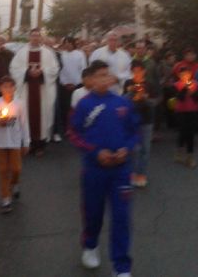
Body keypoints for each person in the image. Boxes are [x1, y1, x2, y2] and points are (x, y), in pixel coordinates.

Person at [68, 60, 139, 277]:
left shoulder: (122, 103)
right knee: (93, 213)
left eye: (107, 75)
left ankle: (122, 267)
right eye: (99, 75)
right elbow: (73, 133)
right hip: (94, 170)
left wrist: (126, 149)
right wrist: (95, 152)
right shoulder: (85, 105)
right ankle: (90, 245)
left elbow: (135, 132)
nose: (104, 79)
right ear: (90, 79)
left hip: (120, 170)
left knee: (121, 217)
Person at [9, 28, 59, 157]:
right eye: (33, 36)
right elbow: (13, 69)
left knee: (42, 116)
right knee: (25, 115)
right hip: (26, 89)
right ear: (29, 37)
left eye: (38, 36)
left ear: (41, 38)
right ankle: (27, 144)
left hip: (42, 90)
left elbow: (54, 69)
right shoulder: (21, 53)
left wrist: (42, 72)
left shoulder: (48, 53)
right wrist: (26, 72)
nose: (35, 38)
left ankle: (39, 146)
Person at [0, 75, 31, 214]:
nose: (7, 89)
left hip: (15, 141)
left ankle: (15, 183)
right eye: (4, 87)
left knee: (16, 168)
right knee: (3, 170)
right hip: (0, 142)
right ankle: (5, 199)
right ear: (0, 89)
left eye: (10, 86)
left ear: (14, 88)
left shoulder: (20, 103)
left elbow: (24, 123)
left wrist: (26, 141)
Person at [123, 60, 156, 188]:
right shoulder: (128, 83)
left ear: (144, 71)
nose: (137, 73)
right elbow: (123, 102)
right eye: (134, 71)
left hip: (147, 120)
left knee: (145, 149)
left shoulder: (150, 85)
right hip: (132, 120)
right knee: (133, 149)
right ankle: (131, 173)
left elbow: (155, 102)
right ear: (131, 72)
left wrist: (145, 98)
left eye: (140, 70)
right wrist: (131, 93)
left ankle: (141, 174)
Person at [56, 36, 87, 143]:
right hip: (64, 86)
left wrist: (76, 83)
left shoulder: (80, 54)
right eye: (66, 42)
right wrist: (65, 83)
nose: (68, 44)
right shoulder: (61, 55)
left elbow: (83, 69)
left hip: (77, 86)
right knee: (65, 108)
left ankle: (77, 128)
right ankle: (66, 129)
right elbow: (60, 71)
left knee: (76, 108)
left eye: (70, 42)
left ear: (73, 43)